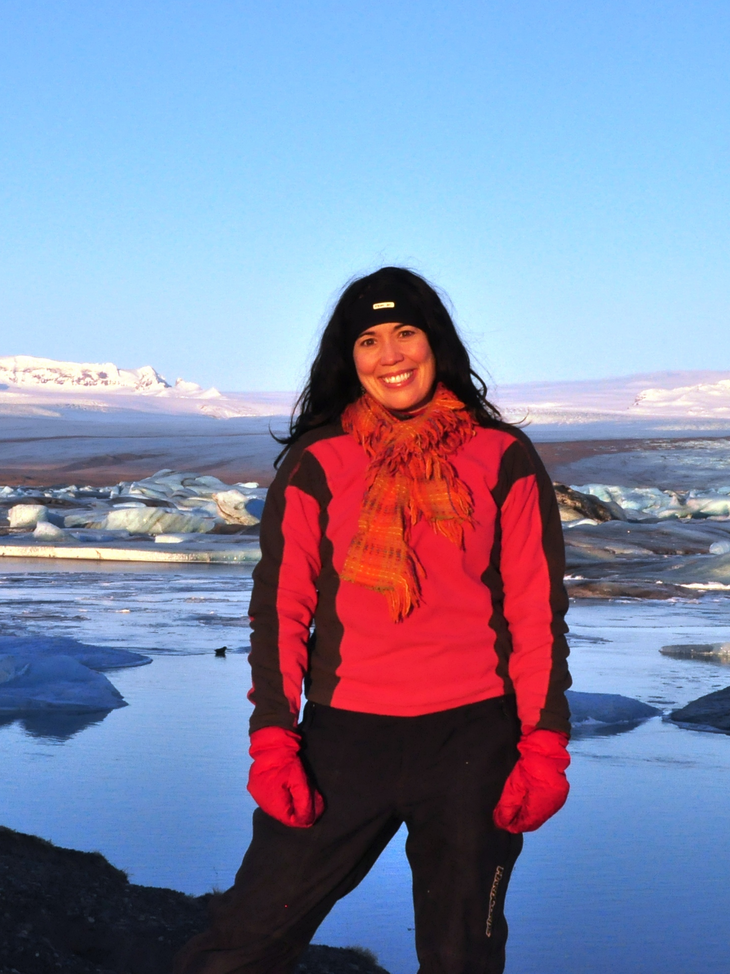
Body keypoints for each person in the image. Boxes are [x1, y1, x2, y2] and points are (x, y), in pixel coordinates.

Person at [176, 267, 572, 974]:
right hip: (345, 739)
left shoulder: (503, 457)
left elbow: (537, 614)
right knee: (244, 941)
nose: (390, 355)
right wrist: (273, 739)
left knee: (463, 958)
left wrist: (544, 747)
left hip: (473, 740)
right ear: (348, 357)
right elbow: (280, 612)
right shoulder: (318, 462)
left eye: (406, 332)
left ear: (436, 343)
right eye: (368, 339)